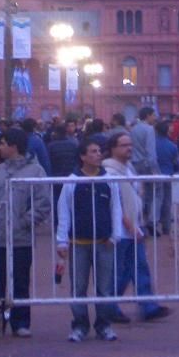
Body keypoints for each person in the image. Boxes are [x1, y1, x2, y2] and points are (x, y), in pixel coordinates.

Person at [56, 139, 123, 342]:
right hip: (79, 243)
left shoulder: (109, 179)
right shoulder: (72, 181)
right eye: (93, 151)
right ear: (83, 156)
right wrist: (62, 240)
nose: (98, 154)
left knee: (104, 288)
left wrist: (115, 235)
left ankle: (104, 325)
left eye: (98, 151)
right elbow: (64, 211)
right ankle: (80, 325)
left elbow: (116, 208)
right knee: (78, 287)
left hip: (104, 242)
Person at [102, 133, 171, 323]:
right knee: (121, 271)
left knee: (139, 267)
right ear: (113, 148)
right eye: (124, 145)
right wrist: (129, 225)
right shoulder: (109, 172)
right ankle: (109, 306)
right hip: (122, 229)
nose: (129, 148)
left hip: (134, 226)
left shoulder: (128, 168)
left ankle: (147, 306)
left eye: (130, 144)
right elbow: (115, 204)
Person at [0, 128, 51, 337]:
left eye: (2, 143)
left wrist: (25, 222)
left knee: (20, 281)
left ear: (13, 146)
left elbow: (43, 202)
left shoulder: (36, 171)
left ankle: (21, 322)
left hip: (20, 237)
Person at [131, 107, 159, 233]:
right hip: (147, 164)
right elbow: (151, 151)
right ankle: (152, 221)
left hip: (135, 164)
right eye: (153, 115)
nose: (155, 117)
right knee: (156, 192)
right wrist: (154, 169)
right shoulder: (149, 129)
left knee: (139, 193)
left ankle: (140, 220)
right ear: (147, 116)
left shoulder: (133, 129)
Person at [153, 120, 178, 235]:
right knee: (167, 201)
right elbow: (177, 162)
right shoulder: (172, 146)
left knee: (154, 200)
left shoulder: (152, 145)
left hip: (153, 176)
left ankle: (153, 223)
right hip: (168, 175)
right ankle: (166, 226)